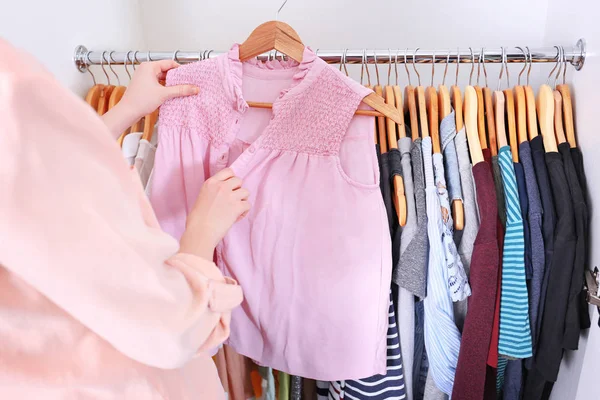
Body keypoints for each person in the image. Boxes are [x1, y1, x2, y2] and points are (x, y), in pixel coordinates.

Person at [0, 40, 249, 398]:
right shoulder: (11, 92)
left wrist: (127, 109)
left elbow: (37, 186)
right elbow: (169, 326)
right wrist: (201, 235)